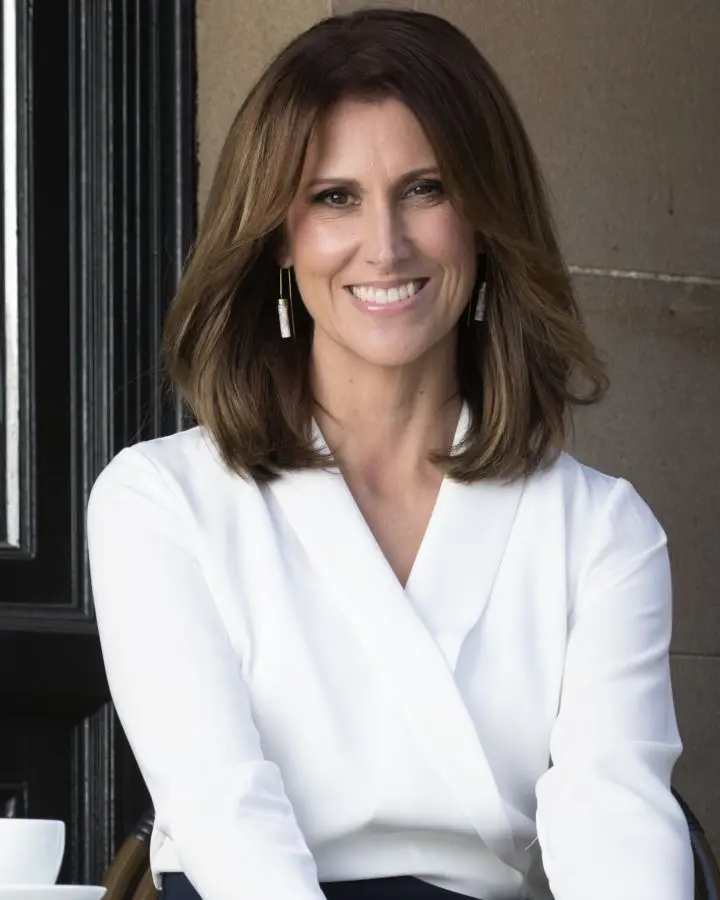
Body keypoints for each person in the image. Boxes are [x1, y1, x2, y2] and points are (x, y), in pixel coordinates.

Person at [86, 8, 694, 900]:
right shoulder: (160, 500)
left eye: (427, 189)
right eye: (335, 197)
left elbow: (617, 825)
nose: (386, 245)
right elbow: (222, 812)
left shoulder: (600, 529)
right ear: (278, 237)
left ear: (485, 219)